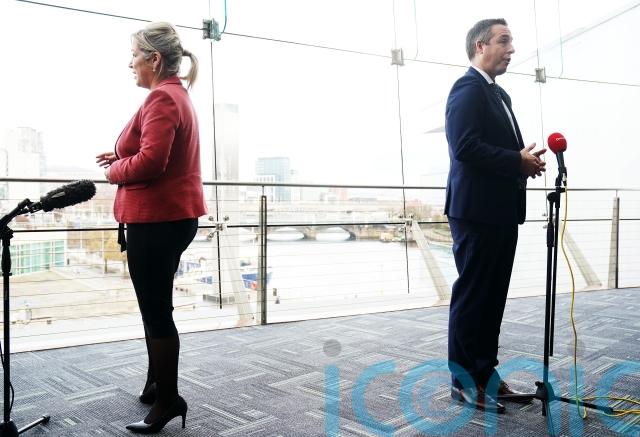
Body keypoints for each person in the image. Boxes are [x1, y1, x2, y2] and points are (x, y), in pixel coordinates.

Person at [96, 22, 206, 433]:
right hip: (172, 217)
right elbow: (155, 152)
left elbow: (152, 162)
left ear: (154, 59)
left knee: (156, 311)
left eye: (135, 56)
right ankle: (157, 382)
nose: (130, 64)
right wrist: (122, 156)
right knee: (156, 306)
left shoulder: (162, 97)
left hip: (157, 220)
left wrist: (114, 171)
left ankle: (168, 401)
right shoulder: (177, 95)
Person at [444, 18, 546, 413]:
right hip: (476, 213)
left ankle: (486, 376)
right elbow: (465, 146)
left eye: (511, 41)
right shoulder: (467, 88)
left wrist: (522, 163)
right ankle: (463, 383)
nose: (511, 49)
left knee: (491, 301)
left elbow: (496, 150)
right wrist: (514, 160)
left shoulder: (498, 93)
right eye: (504, 41)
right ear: (480, 46)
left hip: (500, 211)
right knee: (473, 299)